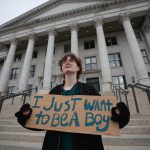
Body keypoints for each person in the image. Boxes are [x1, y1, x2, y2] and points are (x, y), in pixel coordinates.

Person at [15, 53, 130, 150]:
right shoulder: (54, 91)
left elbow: (107, 119)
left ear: (78, 68)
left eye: (72, 60)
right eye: (64, 61)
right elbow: (42, 121)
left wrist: (118, 113)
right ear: (62, 69)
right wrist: (27, 116)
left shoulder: (89, 90)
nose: (67, 62)